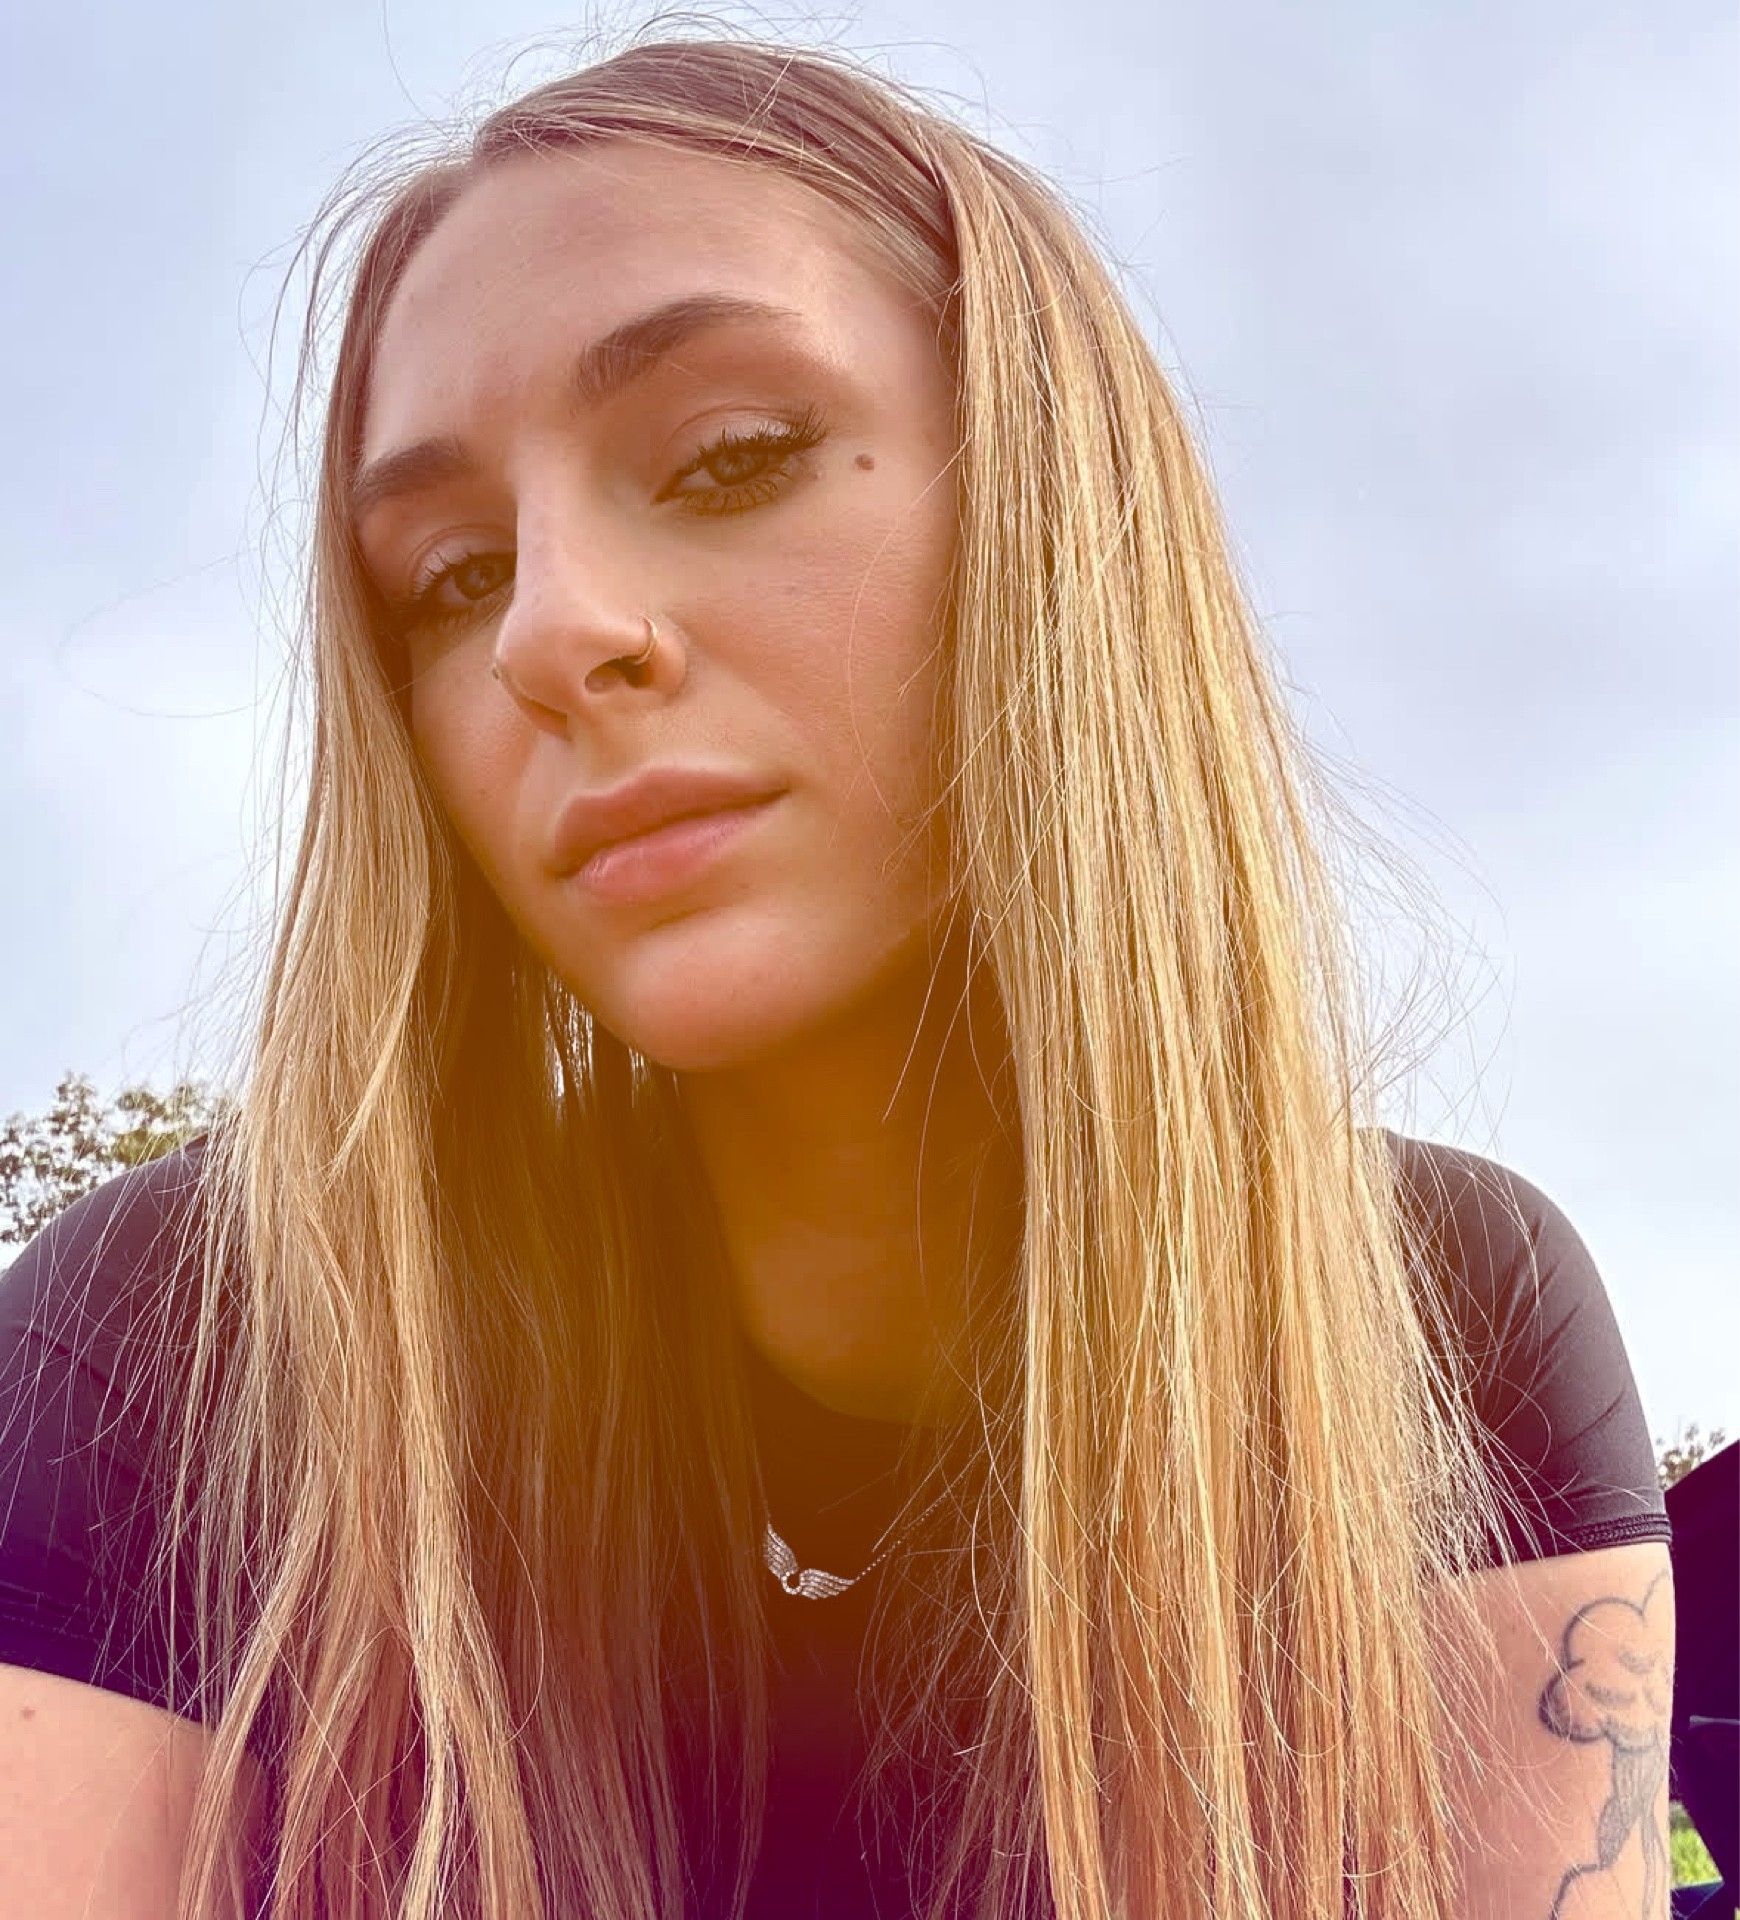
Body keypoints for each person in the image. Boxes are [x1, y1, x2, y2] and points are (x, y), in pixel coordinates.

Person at [0, 34, 1674, 1920]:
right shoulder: (182, 1355)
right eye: (452, 576)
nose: (549, 627)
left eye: (730, 458)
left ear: (1056, 518)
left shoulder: (1438, 1318)